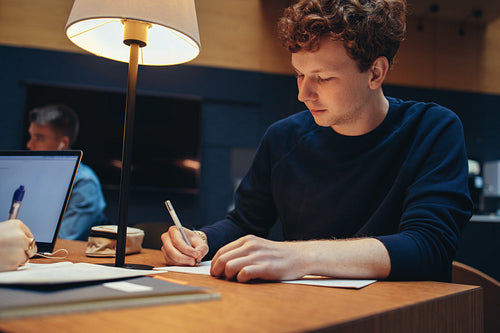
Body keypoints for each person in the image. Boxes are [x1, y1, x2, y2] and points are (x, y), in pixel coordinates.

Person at [160, 0, 472, 283]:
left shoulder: (432, 129)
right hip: (308, 310)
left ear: (375, 73)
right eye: (299, 74)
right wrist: (201, 239)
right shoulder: (283, 138)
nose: (303, 94)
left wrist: (297, 256)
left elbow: (429, 247)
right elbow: (245, 222)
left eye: (322, 78)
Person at [27, 104, 108, 240]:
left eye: (39, 138)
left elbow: (62, 239)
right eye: (30, 136)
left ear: (63, 143)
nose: (29, 145)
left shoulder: (84, 182)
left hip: (69, 257)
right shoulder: (34, 175)